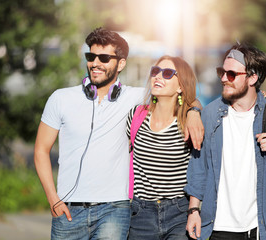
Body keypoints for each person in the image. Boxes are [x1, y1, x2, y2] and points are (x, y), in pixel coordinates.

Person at [34, 27, 203, 240]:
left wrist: (195, 112)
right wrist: (53, 199)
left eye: (104, 58)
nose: (95, 63)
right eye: (91, 56)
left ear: (121, 63)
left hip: (115, 211)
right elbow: (41, 150)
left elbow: (181, 94)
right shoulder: (60, 98)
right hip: (68, 210)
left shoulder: (135, 98)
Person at [184, 43, 266, 240]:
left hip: (260, 228)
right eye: (222, 72)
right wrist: (194, 211)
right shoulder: (210, 115)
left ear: (253, 78)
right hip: (217, 227)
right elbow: (199, 167)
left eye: (232, 74)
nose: (224, 79)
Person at [126, 55, 198, 239]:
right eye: (155, 71)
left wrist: (194, 210)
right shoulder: (136, 116)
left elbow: (200, 170)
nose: (158, 76)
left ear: (181, 86)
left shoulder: (188, 122)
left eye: (167, 73)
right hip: (140, 214)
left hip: (179, 213)